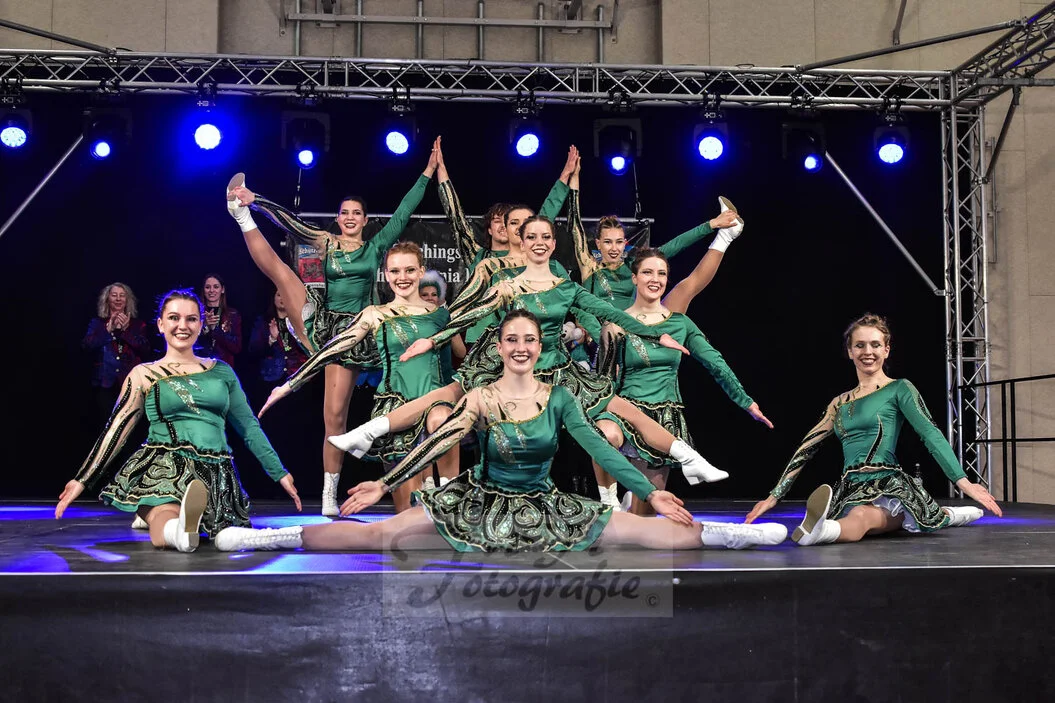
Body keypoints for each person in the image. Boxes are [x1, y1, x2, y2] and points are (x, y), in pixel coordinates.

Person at [213, 311, 788, 552]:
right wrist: (385, 481)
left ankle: (731, 534)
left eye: (529, 340)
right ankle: (270, 540)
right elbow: (441, 440)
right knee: (378, 535)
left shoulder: (560, 397)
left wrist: (651, 490)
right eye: (511, 339)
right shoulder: (481, 397)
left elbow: (598, 448)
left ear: (540, 347)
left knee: (656, 537)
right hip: (477, 503)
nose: (519, 347)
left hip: (546, 505)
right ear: (501, 347)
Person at [331, 216, 757, 484]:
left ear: (553, 244)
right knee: (449, 396)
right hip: (508, 362)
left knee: (621, 408)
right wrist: (432, 338)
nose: (538, 242)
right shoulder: (506, 283)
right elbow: (467, 314)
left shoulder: (566, 287)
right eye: (531, 236)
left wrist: (656, 336)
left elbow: (612, 316)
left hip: (554, 366)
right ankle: (368, 432)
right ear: (523, 240)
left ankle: (689, 458)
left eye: (545, 237)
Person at [227, 141, 440, 515]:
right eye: (344, 213)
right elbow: (291, 223)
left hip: (368, 329)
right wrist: (255, 200)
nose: (350, 217)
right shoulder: (326, 242)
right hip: (331, 330)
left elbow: (404, 211)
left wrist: (427, 173)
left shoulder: (376, 247)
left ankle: (421, 484)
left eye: (357, 213)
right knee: (335, 415)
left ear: (366, 219)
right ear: (338, 218)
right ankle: (329, 494)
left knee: (404, 401)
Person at [55, 289, 301, 552]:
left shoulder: (222, 371)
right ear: (161, 324)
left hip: (215, 472)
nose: (182, 325)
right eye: (174, 318)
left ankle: (225, 533)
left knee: (223, 532)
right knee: (163, 512)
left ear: (201, 324)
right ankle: (178, 533)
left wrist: (279, 472)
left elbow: (249, 427)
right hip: (165, 466)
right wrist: (82, 479)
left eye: (191, 319)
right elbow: (116, 430)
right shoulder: (144, 374)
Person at [745, 313, 1002, 545]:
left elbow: (930, 433)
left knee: (863, 516)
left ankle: (821, 533)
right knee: (866, 513)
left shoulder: (899, 388)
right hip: (850, 488)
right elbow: (806, 448)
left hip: (890, 487)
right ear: (850, 351)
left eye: (875, 345)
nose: (867, 351)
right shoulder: (838, 403)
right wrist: (773, 496)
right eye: (859, 345)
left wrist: (963, 482)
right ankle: (945, 514)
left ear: (886, 350)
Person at [259, 242, 458, 512]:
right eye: (395, 271)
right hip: (396, 412)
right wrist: (290, 384)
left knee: (443, 425)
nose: (402, 277)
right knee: (409, 512)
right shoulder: (374, 314)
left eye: (410, 270)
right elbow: (333, 350)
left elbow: (455, 359)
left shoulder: (442, 315)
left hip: (435, 405)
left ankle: (448, 497)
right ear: (385, 274)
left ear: (421, 271)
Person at [594, 249, 772, 513]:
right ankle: (610, 504)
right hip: (626, 414)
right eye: (647, 272)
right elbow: (603, 376)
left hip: (663, 419)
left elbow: (714, 361)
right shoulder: (616, 322)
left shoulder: (680, 324)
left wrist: (745, 401)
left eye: (661, 273)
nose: (655, 279)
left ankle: (632, 507)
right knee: (605, 435)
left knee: (645, 515)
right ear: (634, 278)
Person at [436, 140, 576, 348]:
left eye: (509, 221)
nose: (503, 225)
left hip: (521, 339)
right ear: (489, 229)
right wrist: (441, 172)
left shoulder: (531, 258)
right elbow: (456, 217)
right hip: (482, 341)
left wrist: (565, 176)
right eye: (496, 221)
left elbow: (546, 214)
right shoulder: (480, 257)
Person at [82, 282, 151, 423]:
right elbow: (87, 346)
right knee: (105, 424)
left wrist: (126, 331)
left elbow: (145, 350)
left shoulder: (138, 325)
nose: (118, 299)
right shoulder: (97, 323)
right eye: (114, 295)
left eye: (122, 295)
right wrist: (107, 330)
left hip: (130, 384)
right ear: (107, 298)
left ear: (127, 300)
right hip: (104, 385)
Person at [249, 289, 309, 385]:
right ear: (273, 298)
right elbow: (254, 351)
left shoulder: (300, 322)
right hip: (271, 379)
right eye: (279, 295)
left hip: (299, 378)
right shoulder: (263, 322)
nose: (283, 298)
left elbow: (309, 350)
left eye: (285, 295)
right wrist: (272, 339)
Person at [197, 274, 242, 366]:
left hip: (223, 366)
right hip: (199, 365)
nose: (211, 290)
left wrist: (215, 330)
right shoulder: (197, 314)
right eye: (207, 287)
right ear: (203, 290)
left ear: (222, 290)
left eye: (216, 287)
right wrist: (205, 327)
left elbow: (236, 347)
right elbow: (191, 343)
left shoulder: (232, 314)